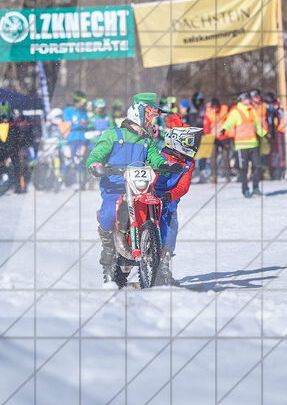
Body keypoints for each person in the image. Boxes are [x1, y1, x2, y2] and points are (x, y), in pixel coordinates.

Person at [85, 94, 167, 286]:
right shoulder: (113, 134)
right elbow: (98, 152)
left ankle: (155, 250)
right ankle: (107, 245)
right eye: (149, 116)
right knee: (107, 214)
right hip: (115, 186)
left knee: (156, 207)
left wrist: (165, 165)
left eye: (153, 117)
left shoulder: (147, 141)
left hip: (140, 188)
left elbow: (156, 159)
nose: (151, 120)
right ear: (138, 114)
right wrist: (95, 163)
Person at [152, 126, 200, 286]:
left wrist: (170, 196)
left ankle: (163, 266)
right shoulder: (160, 156)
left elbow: (184, 186)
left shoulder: (188, 162)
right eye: (189, 142)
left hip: (170, 198)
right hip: (151, 194)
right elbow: (150, 177)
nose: (193, 147)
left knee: (171, 226)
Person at [221, 92, 267, 197]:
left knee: (257, 166)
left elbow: (256, 126)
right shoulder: (236, 112)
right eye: (247, 99)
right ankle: (245, 189)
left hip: (253, 144)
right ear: (242, 100)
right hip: (242, 146)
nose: (249, 100)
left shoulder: (252, 110)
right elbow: (229, 122)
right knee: (244, 169)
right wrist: (224, 129)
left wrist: (264, 134)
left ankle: (255, 188)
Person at [63, 90, 91, 189]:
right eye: (82, 101)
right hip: (71, 138)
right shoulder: (68, 110)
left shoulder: (83, 111)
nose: (84, 103)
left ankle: (81, 182)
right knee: (67, 160)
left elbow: (88, 121)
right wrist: (80, 123)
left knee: (79, 160)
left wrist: (88, 123)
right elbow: (67, 124)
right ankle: (61, 181)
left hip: (82, 139)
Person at [205, 97, 233, 183]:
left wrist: (230, 135)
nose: (214, 109)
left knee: (225, 157)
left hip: (225, 137)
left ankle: (228, 177)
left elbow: (230, 120)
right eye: (213, 107)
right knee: (213, 157)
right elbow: (206, 125)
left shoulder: (225, 109)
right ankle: (214, 176)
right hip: (214, 138)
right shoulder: (209, 112)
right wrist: (207, 135)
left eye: (216, 107)